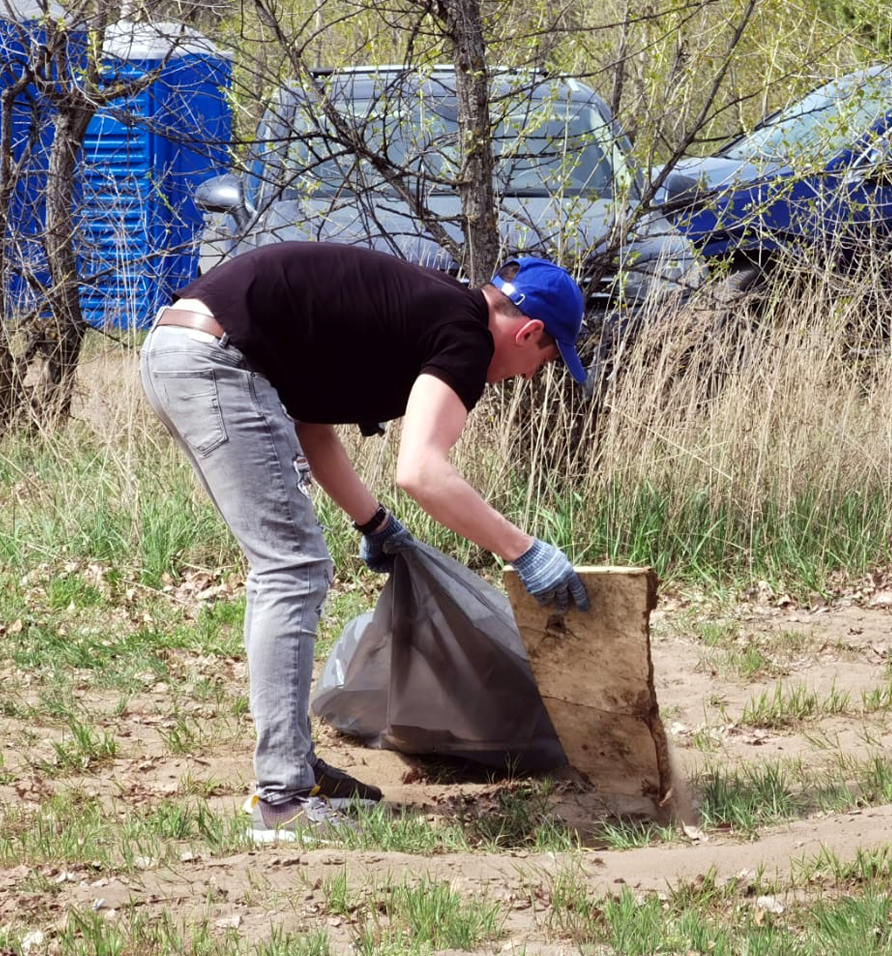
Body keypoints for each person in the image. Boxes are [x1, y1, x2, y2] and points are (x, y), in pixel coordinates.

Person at [139, 240, 591, 842]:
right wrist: (524, 551)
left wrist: (373, 522)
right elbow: (422, 471)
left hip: (180, 349)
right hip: (215, 360)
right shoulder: (466, 334)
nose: (533, 374)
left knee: (286, 564)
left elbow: (308, 423)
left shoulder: (426, 311)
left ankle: (291, 768)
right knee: (291, 569)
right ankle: (281, 796)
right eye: (549, 358)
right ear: (530, 331)